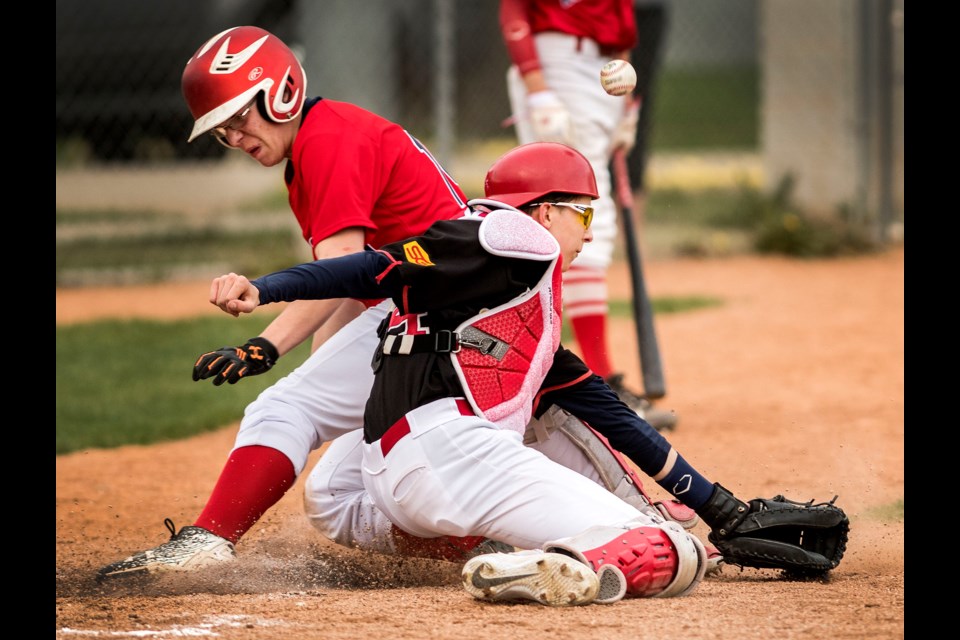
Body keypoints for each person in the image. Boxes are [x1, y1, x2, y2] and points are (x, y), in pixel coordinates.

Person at [96, 26, 697, 582]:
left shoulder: (328, 140)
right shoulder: (323, 140)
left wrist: (266, 345)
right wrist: (307, 366)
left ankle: (208, 538)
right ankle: (480, 544)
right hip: (438, 319)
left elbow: (337, 273)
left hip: (441, 322)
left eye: (237, 117)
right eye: (220, 130)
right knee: (333, 496)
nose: (232, 137)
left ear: (279, 92)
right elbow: (353, 288)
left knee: (281, 410)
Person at [203, 142, 849, 607]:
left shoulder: (505, 295)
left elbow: (604, 407)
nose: (589, 235)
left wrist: (720, 506)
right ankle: (553, 565)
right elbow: (370, 267)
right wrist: (267, 290)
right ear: (543, 213)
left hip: (382, 479)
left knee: (328, 494)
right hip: (451, 456)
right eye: (584, 215)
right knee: (665, 548)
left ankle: (488, 543)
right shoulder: (517, 239)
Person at [498, 0, 678, 431]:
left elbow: (621, 34)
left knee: (579, 211)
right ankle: (595, 379)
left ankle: (564, 375)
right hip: (555, 65)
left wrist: (628, 105)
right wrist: (538, 88)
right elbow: (514, 13)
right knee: (578, 211)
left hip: (604, 74)